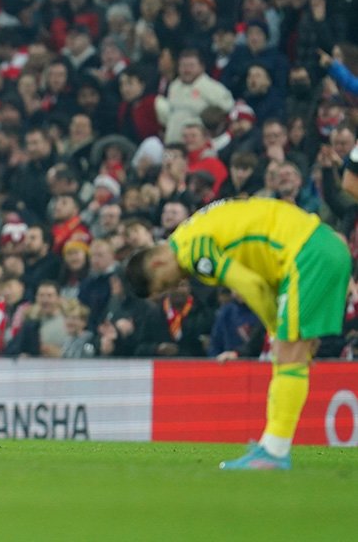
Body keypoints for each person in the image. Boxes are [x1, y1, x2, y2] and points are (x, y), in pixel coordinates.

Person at [124, 198, 351, 469]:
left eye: (164, 285)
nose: (175, 286)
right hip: (318, 245)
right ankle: (272, 445)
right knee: (292, 356)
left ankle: (275, 451)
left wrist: (274, 331)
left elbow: (251, 286)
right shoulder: (189, 232)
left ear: (158, 264)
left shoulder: (192, 251)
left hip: (306, 254)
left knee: (288, 354)